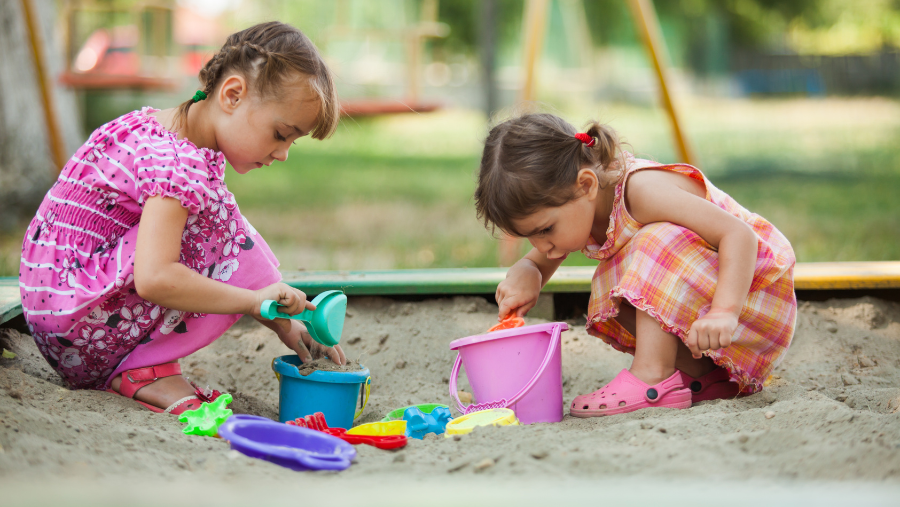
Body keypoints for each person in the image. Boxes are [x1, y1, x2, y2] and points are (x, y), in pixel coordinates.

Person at [19, 22, 345, 415]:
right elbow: (156, 278)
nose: (283, 153)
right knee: (210, 221)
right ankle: (143, 371)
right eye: (280, 133)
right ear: (233, 94)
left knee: (214, 215)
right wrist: (256, 300)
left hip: (59, 307)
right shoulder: (177, 165)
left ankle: (143, 363)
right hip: (80, 331)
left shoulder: (158, 128)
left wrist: (282, 320)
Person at [475, 113, 796, 417]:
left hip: (752, 298)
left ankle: (652, 376)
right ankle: (702, 377)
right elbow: (546, 251)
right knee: (610, 277)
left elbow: (739, 236)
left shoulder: (641, 191)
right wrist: (529, 271)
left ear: (586, 185)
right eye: (530, 238)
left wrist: (724, 312)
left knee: (652, 242)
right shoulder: (582, 205)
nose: (542, 246)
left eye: (545, 230)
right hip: (712, 327)